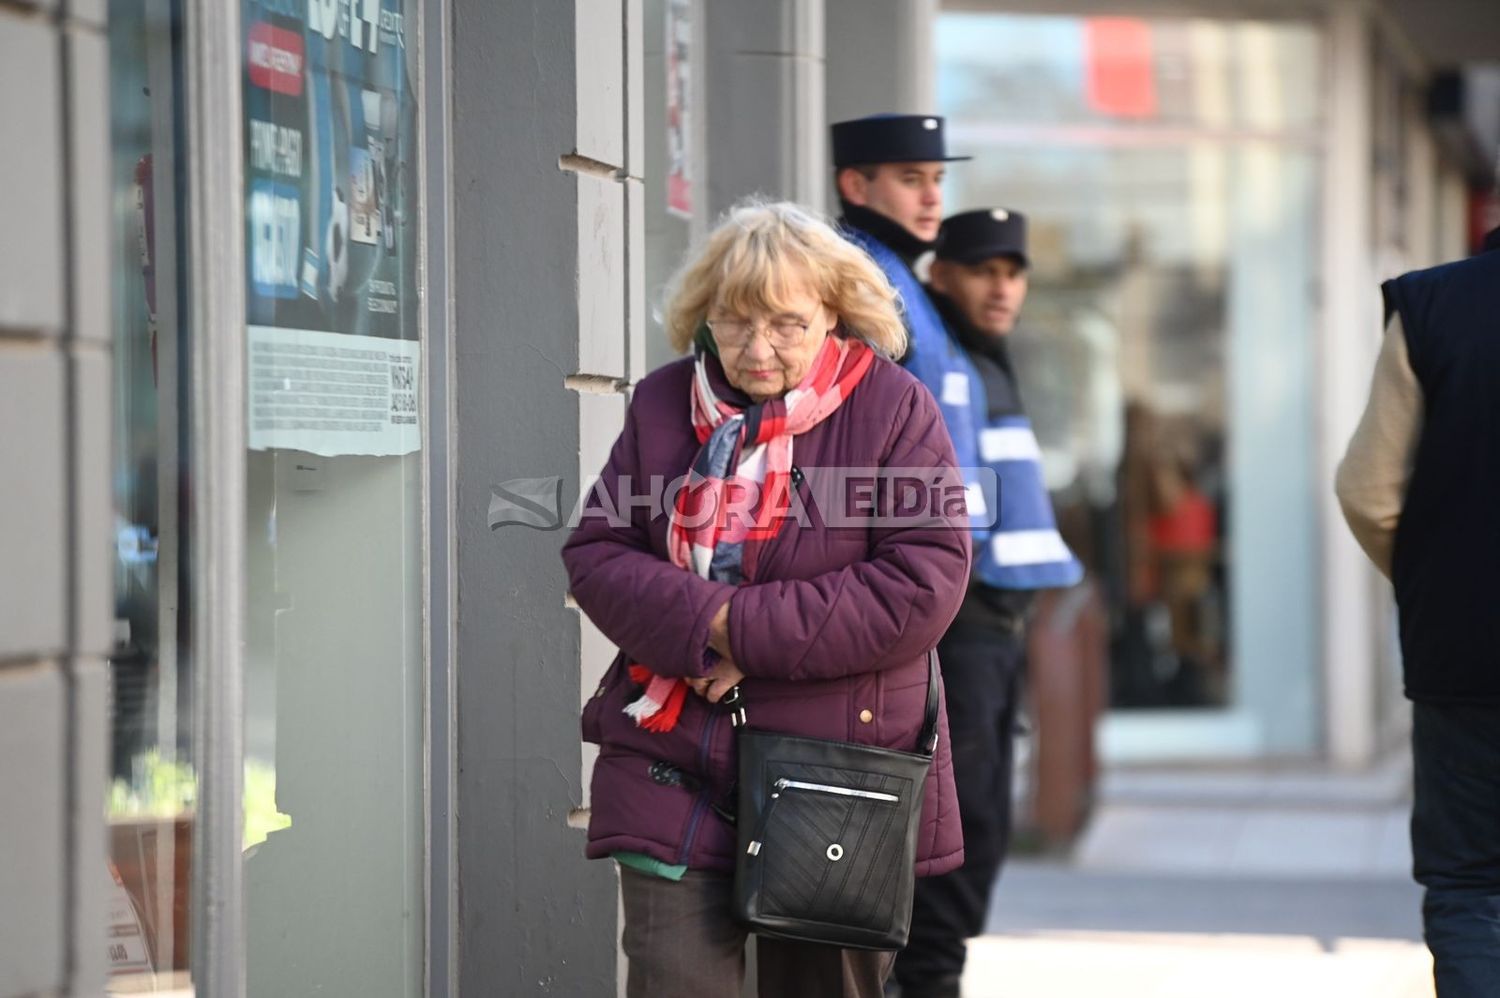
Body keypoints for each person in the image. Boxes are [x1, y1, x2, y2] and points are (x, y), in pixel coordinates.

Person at [561, 199, 971, 998]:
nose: (756, 348)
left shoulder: (892, 410)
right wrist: (704, 625)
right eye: (734, 320)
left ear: (833, 316)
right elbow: (598, 552)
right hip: (670, 763)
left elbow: (921, 582)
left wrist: (735, 631)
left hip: (835, 779)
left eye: (786, 324)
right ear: (704, 315)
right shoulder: (660, 404)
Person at [890, 209, 1083, 998]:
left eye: (1014, 271)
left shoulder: (989, 361)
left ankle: (937, 974)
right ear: (942, 277)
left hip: (1001, 627)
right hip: (959, 627)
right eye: (983, 270)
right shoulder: (939, 356)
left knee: (985, 830)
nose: (1003, 287)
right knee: (955, 830)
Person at [1335, 222, 1500, 997]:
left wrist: (1442, 583)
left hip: (1464, 658)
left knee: (1472, 885)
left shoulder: (1433, 306)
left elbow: (1368, 491)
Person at [830, 114, 989, 530]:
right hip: (896, 544)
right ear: (855, 187)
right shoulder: (859, 277)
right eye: (912, 180)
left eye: (938, 179)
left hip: (933, 541)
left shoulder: (900, 275)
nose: (933, 197)